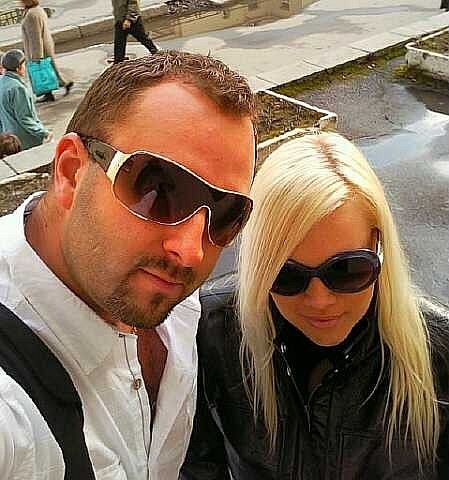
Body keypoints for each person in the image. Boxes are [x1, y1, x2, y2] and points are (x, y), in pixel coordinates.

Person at [0, 51, 256, 479]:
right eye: (158, 189)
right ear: (71, 172)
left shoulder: (171, 298)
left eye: (226, 212)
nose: (191, 251)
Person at [181, 131, 449, 479]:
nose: (320, 300)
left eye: (347, 270)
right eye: (287, 276)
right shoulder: (213, 331)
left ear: (380, 248)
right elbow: (197, 466)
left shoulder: (439, 352)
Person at [21, 0, 74, 103]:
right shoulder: (36, 10)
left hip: (40, 48)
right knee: (50, 69)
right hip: (45, 44)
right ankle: (60, 86)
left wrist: (36, 57)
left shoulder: (32, 14)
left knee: (43, 71)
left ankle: (54, 90)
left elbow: (35, 38)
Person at [0, 49, 53, 150]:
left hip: (9, 138)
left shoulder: (2, 82)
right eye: (24, 65)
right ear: (18, 68)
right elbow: (24, 118)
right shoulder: (17, 88)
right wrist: (44, 132)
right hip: (24, 139)